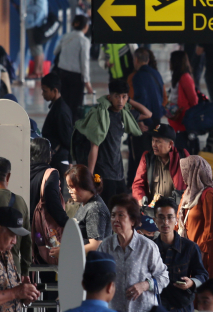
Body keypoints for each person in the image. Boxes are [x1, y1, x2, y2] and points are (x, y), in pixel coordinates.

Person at [98, 194, 169, 312]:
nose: (115, 219)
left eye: (121, 215)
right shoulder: (105, 247)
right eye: (113, 215)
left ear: (132, 220)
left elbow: (164, 277)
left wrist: (145, 285)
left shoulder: (147, 247)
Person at [79, 80, 150, 203]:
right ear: (110, 96)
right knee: (106, 209)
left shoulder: (124, 115)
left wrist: (130, 101)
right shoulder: (101, 115)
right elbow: (94, 146)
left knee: (121, 207)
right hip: (102, 174)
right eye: (117, 96)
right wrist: (90, 176)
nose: (120, 101)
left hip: (118, 173)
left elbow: (148, 113)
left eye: (124, 97)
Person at [153, 198, 208, 312]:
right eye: (161, 217)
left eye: (169, 217)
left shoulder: (189, 247)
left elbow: (203, 275)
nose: (165, 222)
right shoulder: (150, 248)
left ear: (176, 220)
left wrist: (192, 282)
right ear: (155, 221)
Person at [178, 155, 213, 279]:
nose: (183, 174)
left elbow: (212, 227)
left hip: (207, 251)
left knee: (206, 288)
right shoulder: (188, 193)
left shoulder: (210, 194)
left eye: (186, 170)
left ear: (194, 172)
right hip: (191, 249)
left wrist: (201, 252)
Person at [128, 48, 165, 184]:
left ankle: (138, 186)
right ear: (148, 60)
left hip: (145, 122)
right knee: (153, 155)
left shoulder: (137, 76)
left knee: (140, 157)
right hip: (157, 121)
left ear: (136, 60)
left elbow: (141, 100)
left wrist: (138, 120)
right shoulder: (156, 74)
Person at [29, 137, 68, 262]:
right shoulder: (50, 173)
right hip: (41, 231)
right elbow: (53, 203)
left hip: (25, 229)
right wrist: (67, 223)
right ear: (47, 154)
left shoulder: (23, 171)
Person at [132, 123, 187, 205]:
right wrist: (141, 199)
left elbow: (193, 183)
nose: (153, 144)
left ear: (170, 144)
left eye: (158, 141)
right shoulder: (147, 157)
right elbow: (138, 184)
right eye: (153, 140)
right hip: (153, 209)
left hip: (177, 210)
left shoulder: (182, 156)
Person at [67, 165, 112, 252]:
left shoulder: (95, 209)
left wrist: (66, 252)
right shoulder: (85, 203)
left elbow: (95, 246)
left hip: (94, 263)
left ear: (82, 186)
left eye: (72, 187)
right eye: (68, 187)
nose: (69, 191)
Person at [54, 15, 93, 113]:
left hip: (62, 74)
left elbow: (55, 52)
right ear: (85, 26)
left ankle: (64, 125)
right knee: (75, 106)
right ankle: (72, 126)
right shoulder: (84, 41)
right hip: (76, 78)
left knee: (63, 103)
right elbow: (84, 63)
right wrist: (87, 82)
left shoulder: (66, 36)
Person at [165, 51, 199, 155]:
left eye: (171, 61)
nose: (169, 63)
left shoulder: (185, 77)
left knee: (182, 148)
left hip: (183, 120)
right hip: (178, 119)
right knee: (179, 147)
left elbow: (194, 100)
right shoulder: (177, 76)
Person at [40, 72, 74, 172]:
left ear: (54, 90)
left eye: (44, 91)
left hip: (59, 160)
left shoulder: (61, 111)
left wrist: (70, 160)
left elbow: (68, 138)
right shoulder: (57, 107)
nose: (42, 94)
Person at [24, 0, 48, 79]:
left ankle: (37, 71)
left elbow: (39, 8)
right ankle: (39, 71)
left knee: (36, 48)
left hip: (35, 23)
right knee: (37, 48)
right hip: (32, 23)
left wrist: (25, 8)